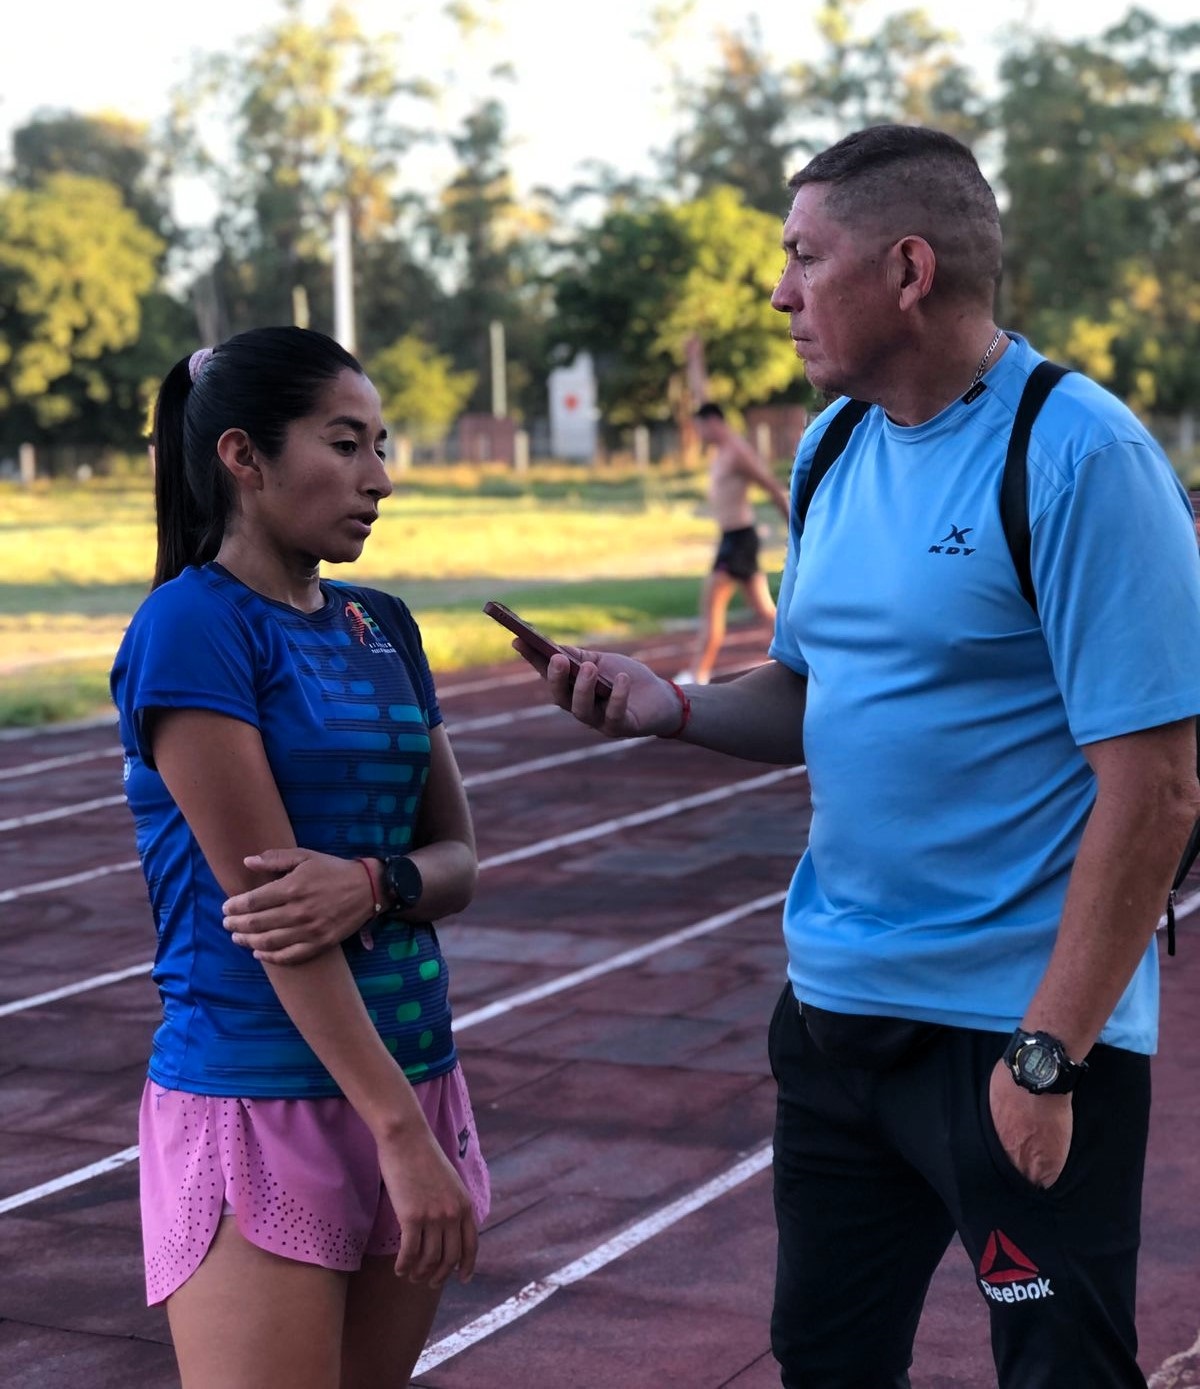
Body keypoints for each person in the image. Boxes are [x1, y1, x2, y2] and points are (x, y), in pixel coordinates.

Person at [512, 125, 1200, 1389]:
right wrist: (672, 706)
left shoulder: (1080, 457)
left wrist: (1047, 1055)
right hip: (836, 1016)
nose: (779, 292)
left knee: (1064, 1373)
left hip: (1013, 1031)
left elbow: (1155, 790)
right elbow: (817, 691)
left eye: (802, 257)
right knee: (825, 1364)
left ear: (909, 270)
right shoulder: (833, 450)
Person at [110, 326, 489, 1389]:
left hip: (413, 1070)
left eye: (381, 444)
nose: (380, 477)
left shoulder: (385, 625)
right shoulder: (192, 629)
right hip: (260, 1096)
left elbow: (459, 858)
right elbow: (278, 922)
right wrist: (401, 1138)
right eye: (346, 443)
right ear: (244, 456)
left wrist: (378, 881)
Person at [674, 402, 791, 686]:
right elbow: (699, 389)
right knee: (764, 610)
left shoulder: (738, 452)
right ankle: (805, 652)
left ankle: (698, 674)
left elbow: (771, 486)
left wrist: (797, 528)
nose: (699, 434)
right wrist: (694, 359)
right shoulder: (722, 452)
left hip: (739, 540)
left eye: (700, 427)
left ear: (713, 422)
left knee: (711, 602)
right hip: (733, 539)